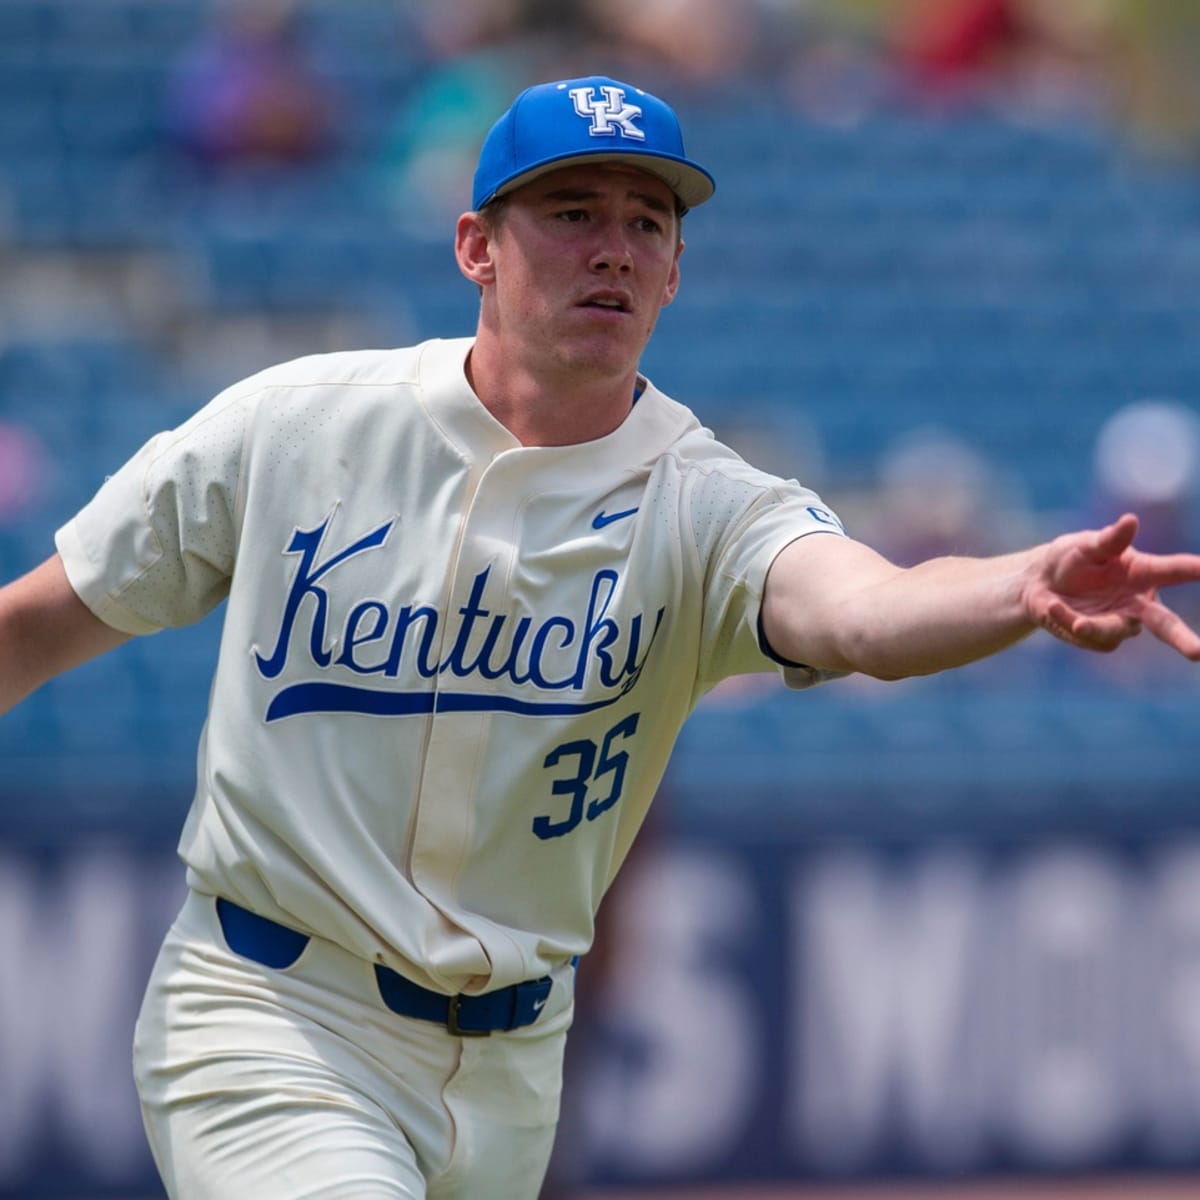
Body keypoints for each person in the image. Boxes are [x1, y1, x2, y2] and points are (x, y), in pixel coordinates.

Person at [2, 74, 1200, 1200]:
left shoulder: (704, 498)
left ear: (676, 272)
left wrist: (1016, 582)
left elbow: (862, 612)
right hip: (272, 1013)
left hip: (515, 1068)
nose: (616, 246)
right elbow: (39, 626)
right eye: (572, 211)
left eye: (649, 220)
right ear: (477, 245)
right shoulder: (293, 427)